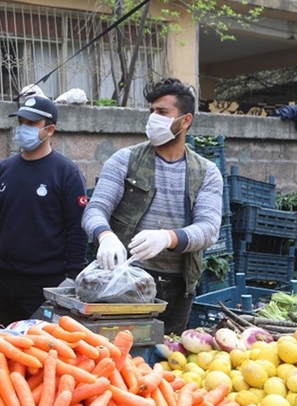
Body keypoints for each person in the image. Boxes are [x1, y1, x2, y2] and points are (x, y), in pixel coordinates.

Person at [81, 78, 223, 335]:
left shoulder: (207, 172)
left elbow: (209, 229)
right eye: (151, 112)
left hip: (178, 288)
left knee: (166, 360)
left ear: (185, 120)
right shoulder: (125, 160)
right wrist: (105, 236)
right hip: (123, 282)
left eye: (162, 112)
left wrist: (168, 237)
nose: (153, 119)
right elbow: (94, 209)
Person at [0, 96, 89, 327]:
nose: (23, 128)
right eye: (21, 122)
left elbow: (76, 228)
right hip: (5, 279)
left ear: (50, 130)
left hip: (46, 283)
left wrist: (72, 276)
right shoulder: (4, 169)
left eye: (31, 123)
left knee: (42, 347)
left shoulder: (66, 173)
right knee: (7, 343)